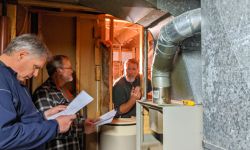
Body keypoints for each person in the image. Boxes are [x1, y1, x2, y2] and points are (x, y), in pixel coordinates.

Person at [0, 34, 76, 149]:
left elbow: (21, 120)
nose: (36, 74)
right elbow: (4, 136)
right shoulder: (2, 79)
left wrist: (44, 117)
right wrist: (55, 126)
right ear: (22, 55)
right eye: (35, 67)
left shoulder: (13, 78)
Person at [33, 55, 97, 150]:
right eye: (69, 68)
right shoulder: (43, 92)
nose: (72, 71)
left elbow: (72, 119)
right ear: (59, 71)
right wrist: (82, 128)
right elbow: (49, 127)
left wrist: (84, 122)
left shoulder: (66, 91)